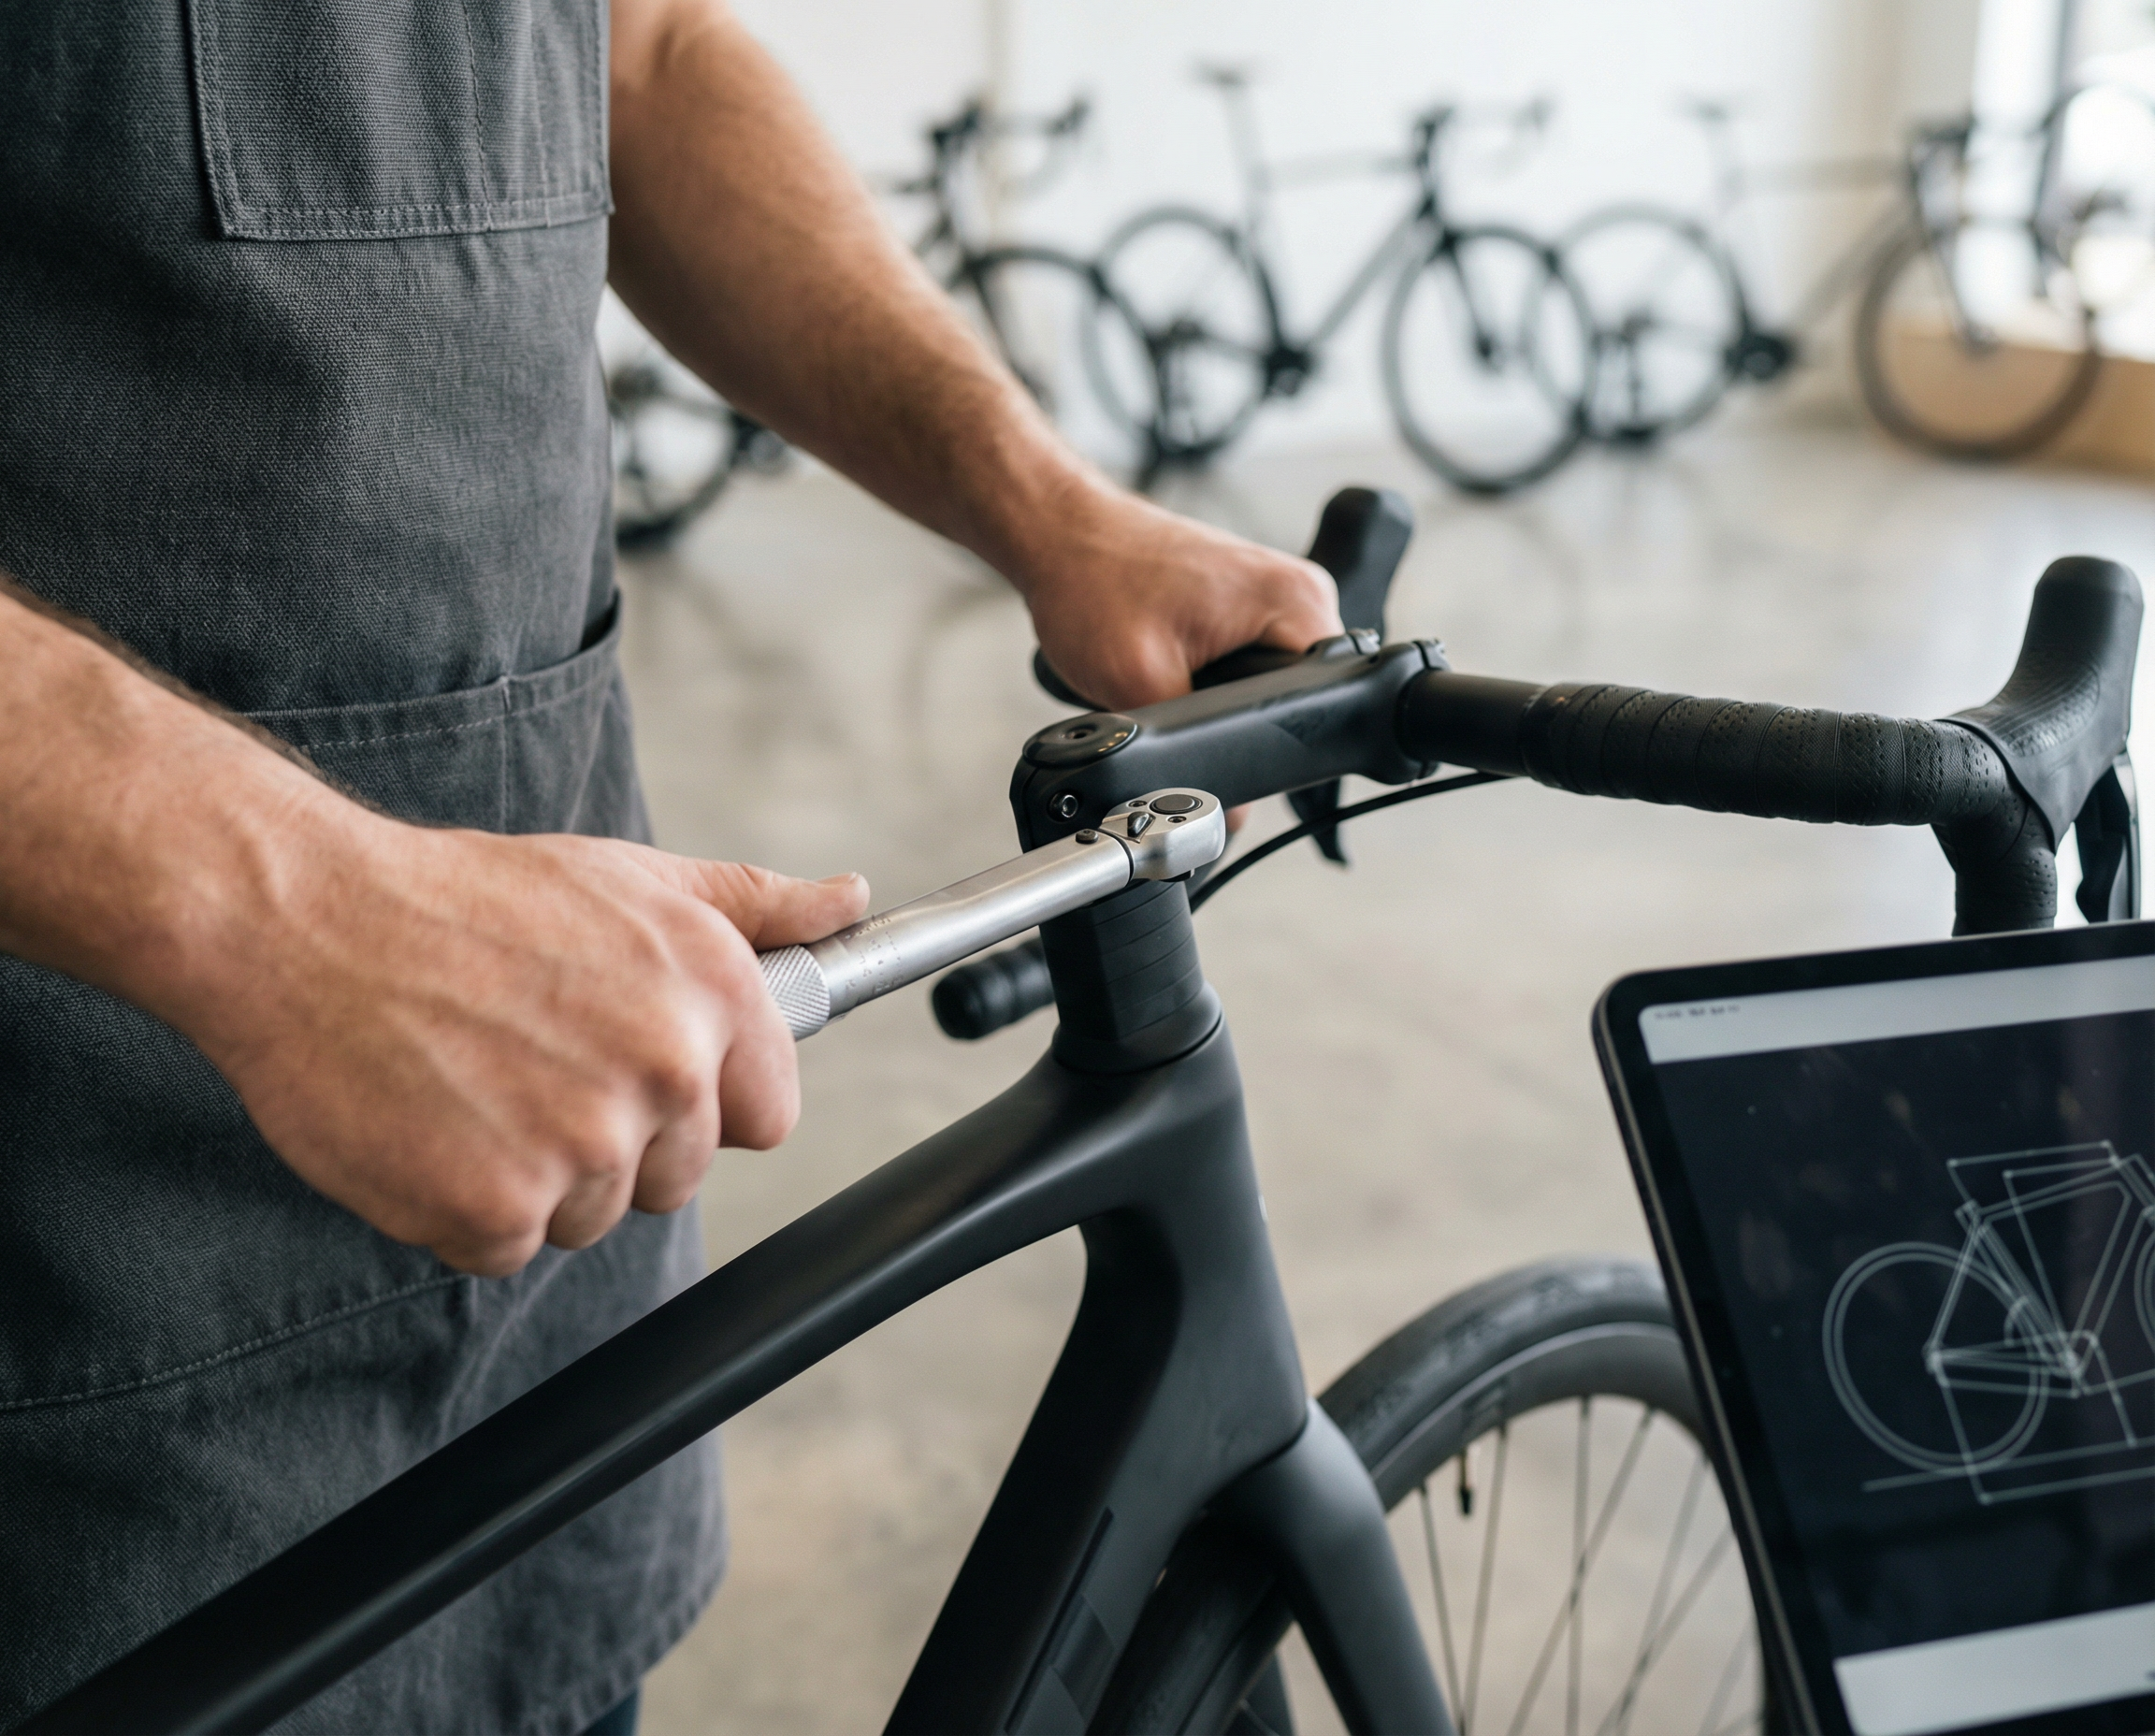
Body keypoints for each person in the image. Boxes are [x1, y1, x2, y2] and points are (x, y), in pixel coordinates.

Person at [0, 1, 1341, 1731]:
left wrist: (1049, 503)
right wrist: (290, 909)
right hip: (77, 1334)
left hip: (563, 1247)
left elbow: (640, 55)